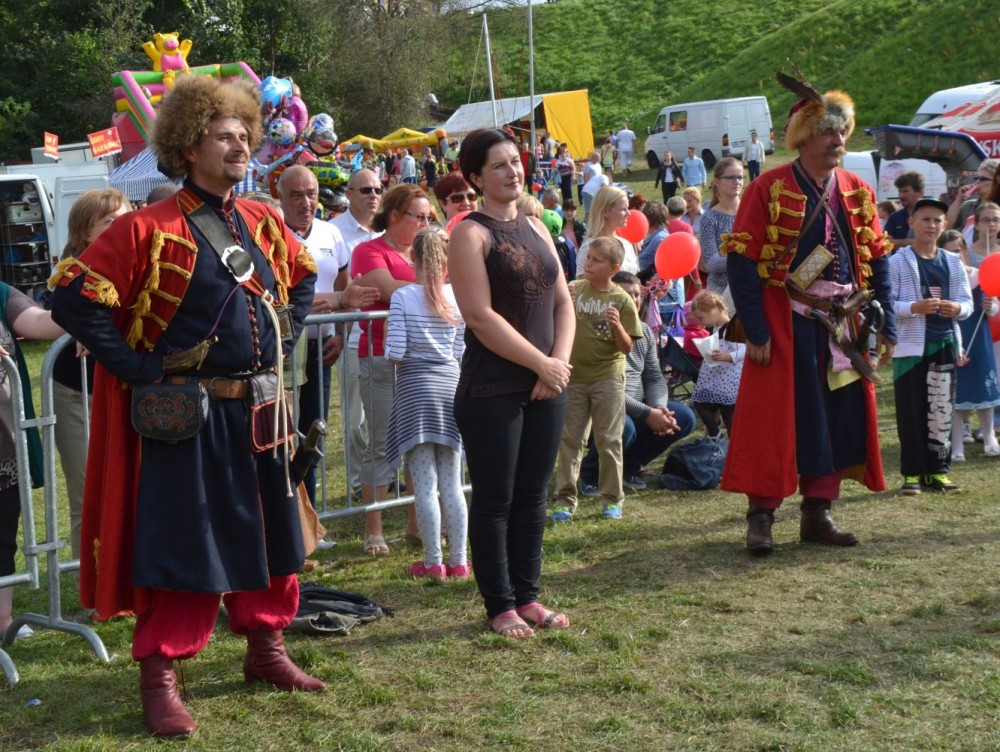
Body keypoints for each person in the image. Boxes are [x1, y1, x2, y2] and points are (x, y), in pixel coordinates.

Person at [49, 75, 324, 737]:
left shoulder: (261, 218)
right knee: (187, 545)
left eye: (244, 134)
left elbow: (303, 274)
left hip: (261, 411)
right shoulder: (147, 227)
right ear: (188, 145)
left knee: (273, 533)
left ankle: (266, 649)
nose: (239, 145)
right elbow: (73, 298)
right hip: (188, 419)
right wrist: (139, 370)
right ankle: (161, 676)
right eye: (224, 136)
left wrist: (286, 332)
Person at [723, 80, 897, 556]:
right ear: (803, 138)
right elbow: (742, 262)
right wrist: (757, 329)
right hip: (786, 320)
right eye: (826, 132)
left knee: (835, 417)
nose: (837, 140)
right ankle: (761, 517)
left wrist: (886, 323)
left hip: (843, 324)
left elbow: (877, 257)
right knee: (775, 419)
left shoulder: (857, 189)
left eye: (841, 131)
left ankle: (818, 513)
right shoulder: (768, 187)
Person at [448, 127, 574, 639]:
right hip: (492, 388)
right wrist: (540, 364)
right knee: (496, 499)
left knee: (533, 496)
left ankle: (528, 596)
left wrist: (557, 364)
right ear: (476, 178)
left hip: (547, 384)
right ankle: (499, 605)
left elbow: (563, 302)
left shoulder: (538, 225)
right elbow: (479, 316)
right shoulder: (469, 233)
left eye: (515, 162)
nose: (512, 171)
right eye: (498, 165)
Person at [278, 165, 377, 509]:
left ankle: (311, 513)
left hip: (322, 346)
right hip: (284, 349)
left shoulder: (330, 233)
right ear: (281, 197)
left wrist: (340, 332)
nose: (306, 202)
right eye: (296, 195)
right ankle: (287, 511)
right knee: (282, 432)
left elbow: (345, 289)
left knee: (314, 429)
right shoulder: (272, 233)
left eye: (312, 194)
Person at [352, 183, 434, 555]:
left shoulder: (425, 251)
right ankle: (375, 530)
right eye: (419, 217)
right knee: (383, 444)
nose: (425, 224)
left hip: (423, 358)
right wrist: (436, 288)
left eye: (429, 217)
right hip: (381, 356)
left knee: (420, 442)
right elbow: (386, 289)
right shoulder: (368, 250)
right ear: (396, 215)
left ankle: (418, 526)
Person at [51, 189, 131, 565]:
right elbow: (63, 312)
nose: (123, 228)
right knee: (89, 492)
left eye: (127, 219)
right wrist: (86, 329)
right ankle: (94, 577)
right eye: (110, 222)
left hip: (128, 391)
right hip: (77, 392)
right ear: (86, 232)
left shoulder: (144, 266)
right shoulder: (73, 275)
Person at [385, 227, 468, 582]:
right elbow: (460, 349)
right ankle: (460, 561)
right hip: (450, 387)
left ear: (413, 258)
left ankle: (434, 561)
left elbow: (395, 352)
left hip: (415, 391)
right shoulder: (456, 297)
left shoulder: (403, 297)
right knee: (452, 481)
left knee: (425, 483)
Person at [577, 271, 695, 493]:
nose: (633, 299)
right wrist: (648, 413)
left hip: (639, 407)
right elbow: (605, 390)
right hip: (601, 407)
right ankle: (591, 474)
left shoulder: (644, 332)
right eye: (626, 294)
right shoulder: (595, 331)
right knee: (624, 427)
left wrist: (659, 407)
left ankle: (629, 466)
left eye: (637, 294)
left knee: (684, 417)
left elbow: (653, 376)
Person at [552, 236, 642, 521]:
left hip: (607, 378)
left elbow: (627, 348)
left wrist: (617, 326)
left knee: (609, 440)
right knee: (571, 440)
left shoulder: (622, 299)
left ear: (614, 268)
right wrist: (564, 303)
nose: (589, 264)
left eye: (597, 260)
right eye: (588, 258)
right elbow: (554, 321)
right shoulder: (575, 289)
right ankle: (565, 500)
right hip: (574, 377)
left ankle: (612, 499)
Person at [889, 198, 972, 494]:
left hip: (944, 342)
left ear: (945, 225)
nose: (931, 225)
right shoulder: (897, 261)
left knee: (941, 408)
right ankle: (912, 473)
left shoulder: (952, 262)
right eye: (925, 219)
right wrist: (914, 307)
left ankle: (938, 471)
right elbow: (885, 304)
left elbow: (967, 303)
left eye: (937, 220)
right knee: (911, 411)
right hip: (909, 348)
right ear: (911, 222)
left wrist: (956, 309)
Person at [0, 286, 64, 642]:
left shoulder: (0, 294)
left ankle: (2, 618)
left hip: (4, 446)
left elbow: (42, 323)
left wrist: (82, 304)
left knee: (3, 529)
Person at [331, 169, 384, 499]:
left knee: (384, 414)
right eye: (365, 190)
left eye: (378, 189)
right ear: (348, 194)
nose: (373, 195)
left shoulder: (388, 229)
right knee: (354, 417)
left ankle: (382, 478)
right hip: (351, 336)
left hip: (386, 336)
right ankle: (356, 483)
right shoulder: (334, 231)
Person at [941, 225, 1000, 460]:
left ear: (965, 251)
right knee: (956, 393)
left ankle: (989, 436)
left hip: (980, 340)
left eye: (958, 251)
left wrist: (991, 306)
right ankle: (957, 444)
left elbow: (994, 309)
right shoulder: (941, 280)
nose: (954, 256)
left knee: (985, 388)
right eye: (948, 252)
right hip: (954, 339)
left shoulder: (978, 275)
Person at [688, 290, 745, 438]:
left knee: (727, 411)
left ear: (712, 311)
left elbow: (744, 350)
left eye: (701, 318)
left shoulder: (731, 327)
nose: (700, 322)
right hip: (719, 378)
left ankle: (730, 441)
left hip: (728, 380)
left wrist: (727, 356)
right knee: (700, 401)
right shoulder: (717, 328)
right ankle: (716, 434)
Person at [700, 157, 744, 293]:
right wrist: (747, 259)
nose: (737, 182)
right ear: (717, 182)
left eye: (740, 177)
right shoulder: (709, 218)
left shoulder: (752, 212)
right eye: (730, 177)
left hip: (750, 288)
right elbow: (712, 263)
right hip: (720, 292)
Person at [576, 185, 640, 277]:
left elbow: (633, 279)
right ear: (605, 212)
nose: (629, 213)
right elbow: (583, 284)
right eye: (623, 209)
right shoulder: (589, 247)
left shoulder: (626, 244)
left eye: (627, 208)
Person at [949, 158, 998, 239]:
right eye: (976, 178)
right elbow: (948, 226)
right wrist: (959, 200)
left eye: (983, 179)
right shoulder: (968, 206)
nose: (977, 182)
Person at [883, 171, 925, 240]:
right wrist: (911, 242)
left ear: (920, 192)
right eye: (899, 191)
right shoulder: (895, 217)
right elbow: (886, 241)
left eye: (905, 191)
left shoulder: (931, 216)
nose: (901, 196)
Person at [581, 151, 607, 218]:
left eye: (599, 157)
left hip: (597, 187)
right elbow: (586, 177)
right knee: (589, 208)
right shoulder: (588, 165)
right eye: (597, 157)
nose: (598, 159)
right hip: (590, 187)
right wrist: (586, 185)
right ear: (592, 157)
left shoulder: (598, 165)